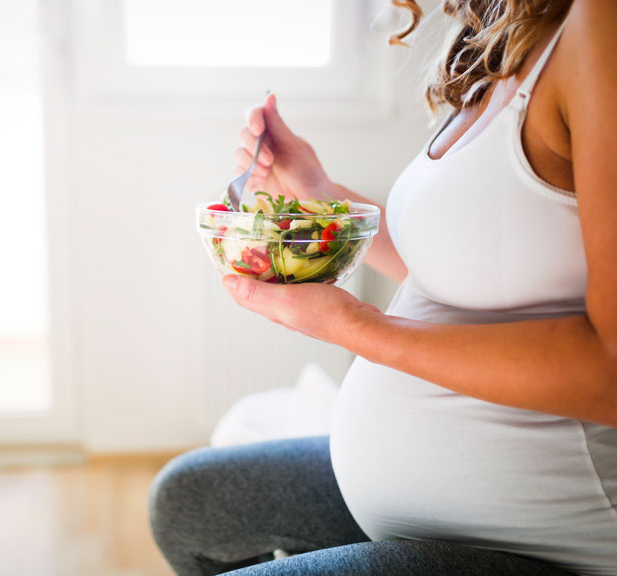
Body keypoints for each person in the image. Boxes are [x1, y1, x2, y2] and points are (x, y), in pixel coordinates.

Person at [149, 0, 617, 574]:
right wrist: (318, 188)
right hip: (435, 509)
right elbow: (459, 259)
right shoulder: (508, 35)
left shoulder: (600, 27)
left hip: (545, 542)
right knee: (188, 504)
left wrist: (355, 326)